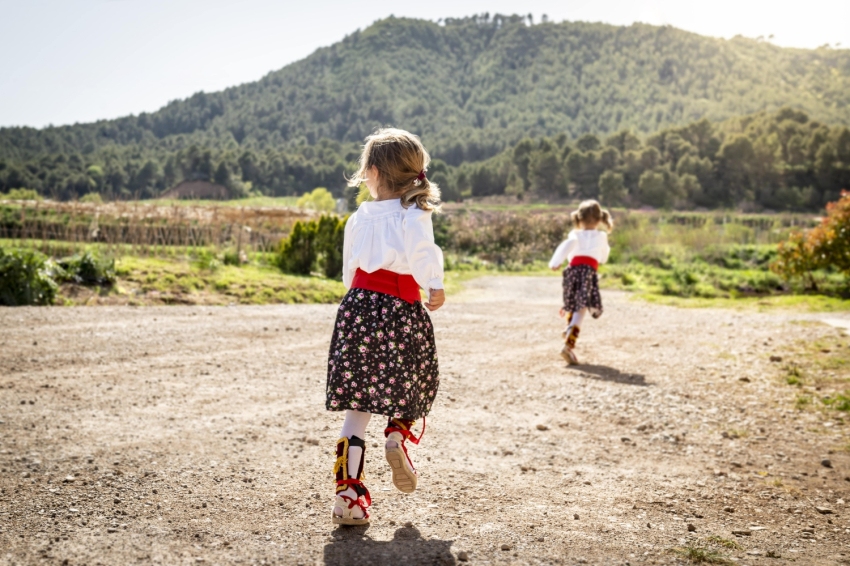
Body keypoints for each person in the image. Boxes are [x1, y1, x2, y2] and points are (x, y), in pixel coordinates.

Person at [326, 128, 445, 525]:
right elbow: (422, 253)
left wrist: (359, 299)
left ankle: (348, 497)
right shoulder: (414, 214)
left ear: (372, 173)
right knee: (414, 380)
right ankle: (396, 434)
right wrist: (434, 285)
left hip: (359, 308)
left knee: (357, 406)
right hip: (402, 308)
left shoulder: (359, 217)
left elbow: (349, 272)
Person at [548, 200, 613, 365]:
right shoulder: (602, 236)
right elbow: (604, 259)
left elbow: (567, 246)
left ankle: (569, 329)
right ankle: (569, 345)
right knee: (581, 310)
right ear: (600, 220)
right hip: (588, 274)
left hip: (572, 273)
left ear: (578, 218)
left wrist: (555, 262)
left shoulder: (574, 234)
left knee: (573, 304)